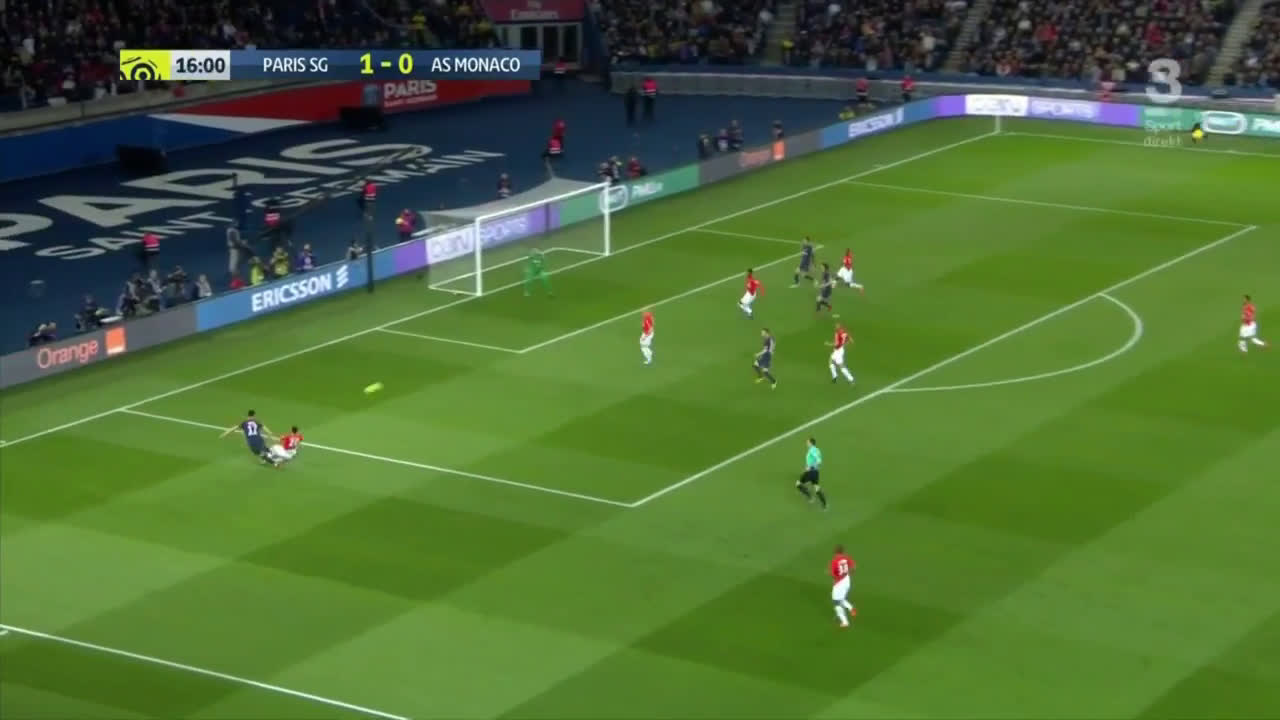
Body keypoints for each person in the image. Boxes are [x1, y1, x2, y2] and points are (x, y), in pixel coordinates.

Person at [795, 437, 827, 508]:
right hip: (816, 472)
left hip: (811, 471)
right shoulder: (817, 450)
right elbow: (817, 460)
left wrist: (810, 467)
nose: (806, 443)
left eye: (808, 442)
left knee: (798, 484)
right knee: (816, 488)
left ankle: (810, 497)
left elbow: (819, 461)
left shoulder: (812, 450)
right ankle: (824, 505)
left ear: (811, 443)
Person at [830, 545, 856, 627]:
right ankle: (851, 608)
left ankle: (845, 622)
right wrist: (848, 574)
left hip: (839, 583)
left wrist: (835, 578)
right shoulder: (847, 557)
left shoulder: (834, 561)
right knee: (840, 598)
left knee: (836, 602)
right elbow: (853, 568)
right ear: (842, 551)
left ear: (835, 552)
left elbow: (833, 574)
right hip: (847, 580)